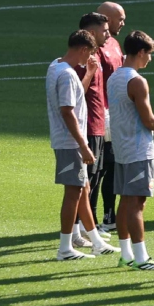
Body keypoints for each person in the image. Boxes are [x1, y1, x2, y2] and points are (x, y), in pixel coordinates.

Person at [110, 31, 154, 271]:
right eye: (149, 54)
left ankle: (126, 254)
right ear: (140, 52)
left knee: (125, 201)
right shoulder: (137, 81)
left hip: (121, 148)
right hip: (139, 150)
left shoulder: (114, 78)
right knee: (137, 204)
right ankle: (141, 258)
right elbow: (148, 119)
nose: (150, 59)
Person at [48, 30, 112, 261]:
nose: (90, 59)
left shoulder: (56, 66)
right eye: (90, 53)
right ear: (84, 49)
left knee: (83, 188)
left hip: (70, 141)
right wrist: (83, 145)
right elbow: (67, 111)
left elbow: (74, 96)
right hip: (69, 142)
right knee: (73, 192)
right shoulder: (66, 75)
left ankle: (96, 242)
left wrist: (90, 72)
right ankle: (65, 249)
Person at [77, 6, 124, 241]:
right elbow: (77, 93)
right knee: (92, 174)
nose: (120, 24)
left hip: (110, 113)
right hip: (95, 117)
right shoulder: (87, 55)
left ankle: (104, 219)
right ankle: (86, 224)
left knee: (110, 167)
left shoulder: (114, 44)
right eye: (119, 19)